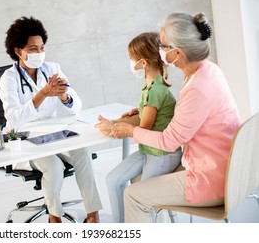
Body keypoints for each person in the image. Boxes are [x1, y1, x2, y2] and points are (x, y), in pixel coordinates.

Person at [96, 12, 241, 222]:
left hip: (211, 180)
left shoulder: (197, 88)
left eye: (163, 45)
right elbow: (188, 118)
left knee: (133, 195)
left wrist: (130, 130)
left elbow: (168, 141)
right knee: (138, 180)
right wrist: (143, 111)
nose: (159, 50)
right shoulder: (208, 70)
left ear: (178, 52)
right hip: (225, 168)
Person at [0, 16, 102, 223]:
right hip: (25, 142)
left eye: (42, 47)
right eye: (33, 48)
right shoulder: (8, 78)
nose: (39, 53)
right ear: (19, 51)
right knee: (53, 167)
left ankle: (93, 213)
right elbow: (14, 120)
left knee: (82, 151)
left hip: (53, 136)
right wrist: (42, 94)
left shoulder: (52, 69)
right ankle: (54, 216)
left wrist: (64, 95)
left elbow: (77, 107)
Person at [98, 32, 182, 223]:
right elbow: (149, 115)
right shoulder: (151, 87)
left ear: (143, 63)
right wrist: (137, 112)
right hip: (148, 151)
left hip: (162, 154)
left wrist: (117, 125)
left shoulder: (155, 90)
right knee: (113, 180)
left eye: (131, 59)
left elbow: (144, 128)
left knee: (141, 197)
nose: (131, 63)